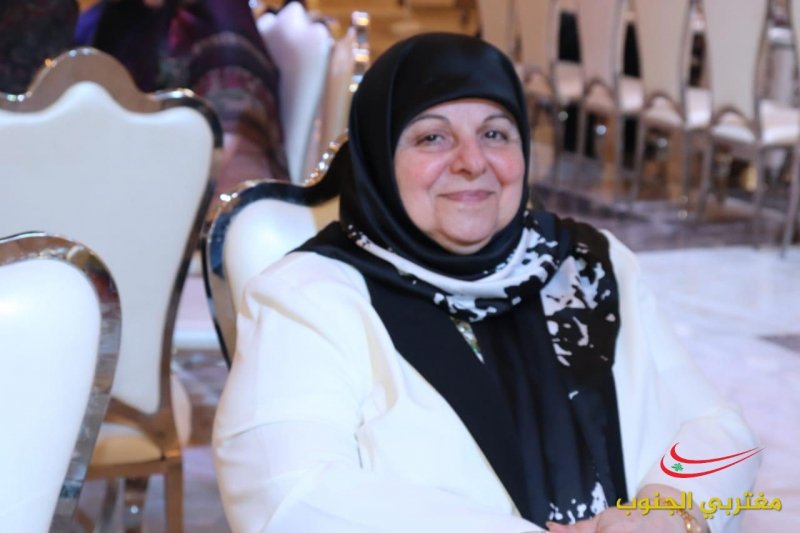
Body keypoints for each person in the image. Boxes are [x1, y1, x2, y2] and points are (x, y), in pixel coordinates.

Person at [213, 32, 758, 532]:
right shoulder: (310, 296)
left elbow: (717, 427)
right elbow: (288, 497)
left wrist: (671, 510)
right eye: (432, 138)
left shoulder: (590, 264)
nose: (472, 162)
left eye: (495, 133)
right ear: (378, 159)